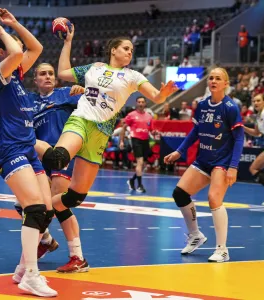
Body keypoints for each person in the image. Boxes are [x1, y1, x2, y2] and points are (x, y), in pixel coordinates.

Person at [36, 25, 178, 266]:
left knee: (74, 197)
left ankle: (75, 254)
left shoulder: (133, 76)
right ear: (113, 50)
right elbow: (62, 72)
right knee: (58, 158)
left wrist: (164, 93)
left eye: (132, 50)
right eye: (126, 48)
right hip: (81, 121)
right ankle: (27, 143)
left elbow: (156, 96)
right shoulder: (95, 68)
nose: (130, 52)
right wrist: (68, 41)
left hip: (100, 135)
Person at [0, 8, 56, 297]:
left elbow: (35, 46)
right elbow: (16, 52)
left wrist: (14, 24)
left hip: (27, 149)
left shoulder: (17, 80)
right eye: (13, 47)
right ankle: (32, 276)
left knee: (46, 212)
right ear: (2, 52)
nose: (22, 52)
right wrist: (2, 32)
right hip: (9, 149)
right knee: (34, 207)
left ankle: (23, 268)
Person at [14, 62, 89, 273]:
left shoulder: (67, 93)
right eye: (42, 74)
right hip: (38, 159)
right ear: (35, 79)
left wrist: (85, 92)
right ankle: (46, 240)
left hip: (62, 155)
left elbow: (95, 106)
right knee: (25, 203)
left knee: (58, 204)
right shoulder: (28, 101)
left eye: (51, 73)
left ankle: (78, 256)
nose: (47, 76)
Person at [164, 68, 245, 263]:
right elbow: (195, 131)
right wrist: (179, 151)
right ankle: (195, 235)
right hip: (203, 159)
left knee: (213, 199)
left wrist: (233, 167)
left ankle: (222, 249)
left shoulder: (230, 107)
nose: (214, 81)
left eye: (218, 78)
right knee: (179, 193)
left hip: (222, 161)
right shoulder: (201, 105)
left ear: (226, 83)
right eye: (211, 78)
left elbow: (240, 138)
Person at [121, 96, 154, 193]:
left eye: (142, 102)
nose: (140, 104)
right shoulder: (131, 115)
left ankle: (132, 180)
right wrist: (122, 141)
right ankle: (139, 185)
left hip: (145, 141)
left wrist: (155, 132)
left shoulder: (149, 116)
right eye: (139, 102)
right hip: (136, 140)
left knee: (143, 164)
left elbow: (151, 129)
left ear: (145, 104)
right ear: (136, 104)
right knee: (140, 162)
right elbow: (123, 128)